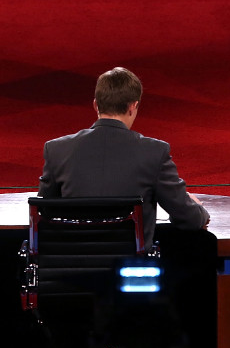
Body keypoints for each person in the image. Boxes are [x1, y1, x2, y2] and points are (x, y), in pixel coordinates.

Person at [37, 66, 209, 250]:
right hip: (132, 270)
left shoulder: (57, 149)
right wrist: (197, 209)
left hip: (73, 269)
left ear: (96, 104)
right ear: (133, 106)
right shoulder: (154, 152)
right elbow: (188, 218)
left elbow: (45, 211)